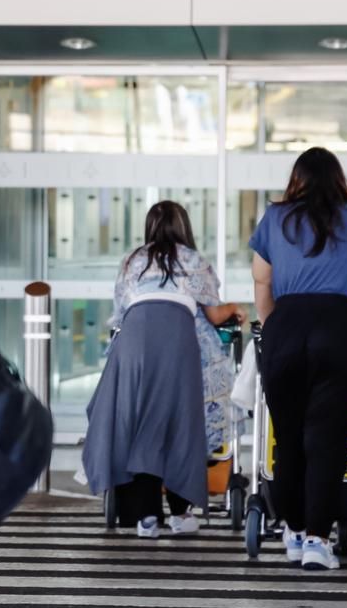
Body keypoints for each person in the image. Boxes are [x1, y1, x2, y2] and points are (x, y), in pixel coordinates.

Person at [250, 147, 347, 573]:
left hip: (286, 325)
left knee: (287, 437)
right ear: (338, 178)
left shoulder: (275, 217)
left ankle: (292, 532)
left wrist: (274, 324)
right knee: (327, 441)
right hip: (339, 324)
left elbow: (261, 278)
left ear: (297, 178)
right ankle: (316, 540)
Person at [86, 201, 243, 540]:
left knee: (140, 420)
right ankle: (180, 512)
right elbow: (215, 315)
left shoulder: (132, 260)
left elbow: (120, 311)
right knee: (179, 422)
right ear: (184, 227)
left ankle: (145, 516)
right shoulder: (191, 259)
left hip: (133, 343)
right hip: (174, 341)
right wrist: (235, 309)